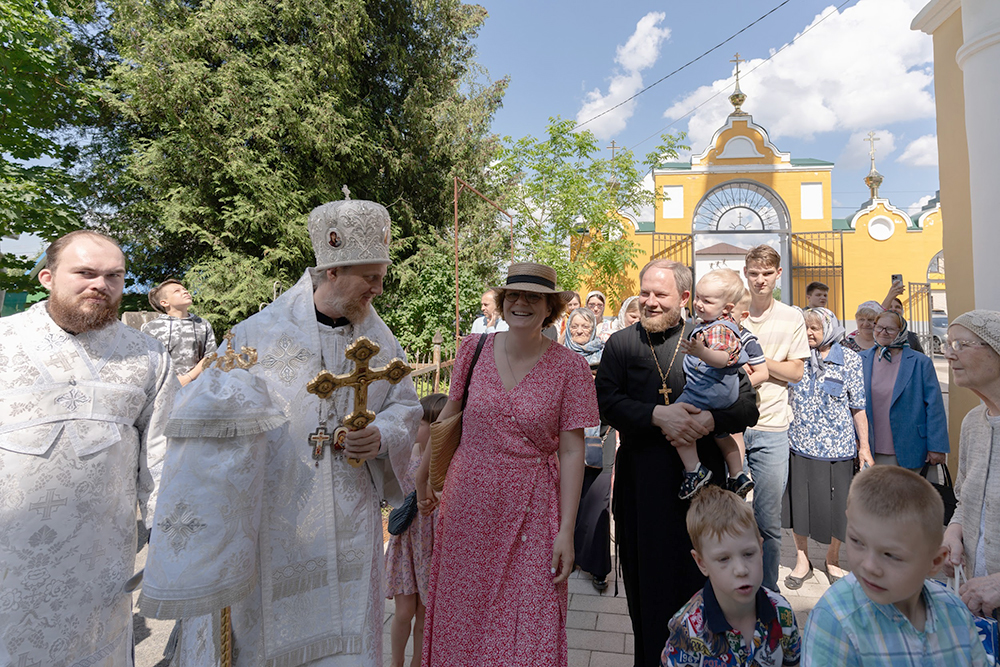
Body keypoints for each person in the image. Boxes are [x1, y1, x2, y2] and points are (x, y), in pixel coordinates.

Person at [155, 198, 422, 666]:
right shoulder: (254, 339)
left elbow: (406, 405)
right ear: (333, 272)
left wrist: (381, 435)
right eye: (370, 277)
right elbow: (209, 441)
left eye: (382, 276)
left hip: (352, 520)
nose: (379, 289)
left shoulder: (382, 341)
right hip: (278, 522)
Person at [0, 230, 176, 666]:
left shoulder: (149, 355)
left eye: (114, 276)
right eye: (85, 273)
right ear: (47, 277)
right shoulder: (5, 341)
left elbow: (162, 453)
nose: (101, 284)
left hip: (101, 561)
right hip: (11, 558)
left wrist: (167, 537)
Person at [419, 262, 598, 667]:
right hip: (468, 505)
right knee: (462, 614)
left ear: (549, 307)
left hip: (534, 512)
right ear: (501, 302)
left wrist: (566, 531)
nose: (521, 303)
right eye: (513, 295)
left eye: (533, 296)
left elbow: (572, 452)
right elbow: (449, 412)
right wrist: (423, 474)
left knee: (531, 619)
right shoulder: (472, 348)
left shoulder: (570, 368)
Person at [596, 258, 759, 667]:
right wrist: (656, 414)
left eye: (659, 294)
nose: (649, 302)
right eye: (644, 292)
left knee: (702, 593)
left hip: (702, 496)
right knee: (647, 600)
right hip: (642, 490)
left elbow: (746, 406)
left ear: (684, 298)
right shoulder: (621, 343)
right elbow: (605, 402)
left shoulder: (713, 338)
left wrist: (709, 420)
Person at [802, 466, 990, 666]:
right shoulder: (836, 619)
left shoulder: (955, 612)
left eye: (891, 555)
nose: (870, 566)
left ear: (934, 561)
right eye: (857, 541)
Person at [782, 307, 872, 590]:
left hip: (838, 448)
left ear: (829, 329)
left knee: (838, 507)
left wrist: (865, 447)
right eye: (805, 328)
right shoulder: (795, 358)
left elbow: (858, 407)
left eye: (814, 328)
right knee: (800, 504)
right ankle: (801, 558)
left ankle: (833, 558)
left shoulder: (850, 360)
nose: (808, 334)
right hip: (799, 444)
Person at [661, 486, 801, 666]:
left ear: (761, 549)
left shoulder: (782, 612)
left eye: (748, 554)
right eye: (724, 559)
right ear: (701, 563)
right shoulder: (686, 628)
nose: (741, 570)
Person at [741, 245, 810, 593]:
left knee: (768, 520)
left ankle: (768, 591)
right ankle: (730, 584)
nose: (760, 280)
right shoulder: (735, 313)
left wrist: (761, 364)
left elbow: (796, 371)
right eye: (754, 273)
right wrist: (773, 368)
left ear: (778, 274)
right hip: (732, 428)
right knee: (729, 515)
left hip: (772, 428)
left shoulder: (791, 316)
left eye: (767, 273)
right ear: (746, 274)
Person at [673, 268, 753, 499]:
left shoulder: (719, 329)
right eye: (698, 297)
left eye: (706, 300)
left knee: (678, 424)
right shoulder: (713, 322)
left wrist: (701, 352)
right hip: (722, 393)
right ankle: (737, 474)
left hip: (708, 391)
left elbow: (723, 359)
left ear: (727, 308)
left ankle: (694, 470)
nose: (698, 303)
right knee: (722, 435)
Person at [940, 310, 1000, 617]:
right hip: (979, 605)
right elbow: (965, 497)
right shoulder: (973, 423)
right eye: (948, 345)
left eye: (962, 344)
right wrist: (954, 532)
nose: (949, 354)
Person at [386, 393, 447, 667]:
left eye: (421, 422)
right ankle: (396, 663)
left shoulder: (446, 467)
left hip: (432, 549)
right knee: (403, 612)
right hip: (407, 548)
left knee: (425, 616)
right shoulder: (406, 458)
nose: (416, 427)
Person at [563, 306, 614, 591]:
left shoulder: (606, 355)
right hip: (568, 437)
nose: (580, 332)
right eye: (574, 327)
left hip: (601, 436)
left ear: (594, 327)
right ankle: (568, 555)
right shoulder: (559, 357)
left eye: (585, 327)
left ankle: (596, 565)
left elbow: (617, 394)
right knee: (569, 498)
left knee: (597, 502)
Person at [861, 310, 948, 472]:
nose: (883, 332)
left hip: (911, 446)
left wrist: (937, 446)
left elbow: (934, 406)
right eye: (879, 327)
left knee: (909, 497)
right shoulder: (860, 360)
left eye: (890, 329)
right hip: (870, 447)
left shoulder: (921, 362)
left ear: (902, 332)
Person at [142, 278, 219, 386]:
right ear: (164, 302)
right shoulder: (152, 327)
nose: (185, 291)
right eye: (177, 291)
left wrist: (188, 378)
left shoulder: (202, 324)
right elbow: (148, 361)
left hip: (198, 388)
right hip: (163, 389)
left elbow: (211, 356)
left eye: (184, 289)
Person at [880, 286, 927, 354]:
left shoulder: (911, 337)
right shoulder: (878, 335)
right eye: (890, 306)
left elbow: (921, 360)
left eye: (897, 307)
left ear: (902, 311)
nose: (893, 309)